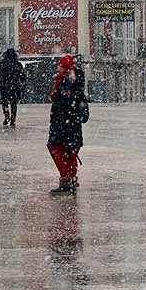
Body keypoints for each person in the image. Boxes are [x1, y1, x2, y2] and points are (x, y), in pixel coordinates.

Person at [47, 54, 88, 195]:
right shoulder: (67, 78)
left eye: (60, 65)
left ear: (65, 67)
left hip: (64, 121)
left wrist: (59, 97)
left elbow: (64, 99)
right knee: (68, 150)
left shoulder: (68, 80)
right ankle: (70, 178)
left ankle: (66, 180)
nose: (58, 67)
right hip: (69, 121)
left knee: (56, 147)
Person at [0, 48, 26, 127]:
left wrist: (0, 82)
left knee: (4, 103)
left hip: (5, 86)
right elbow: (23, 76)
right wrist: (22, 85)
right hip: (14, 87)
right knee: (13, 104)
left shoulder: (2, 64)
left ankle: (6, 115)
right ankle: (13, 119)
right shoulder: (18, 64)